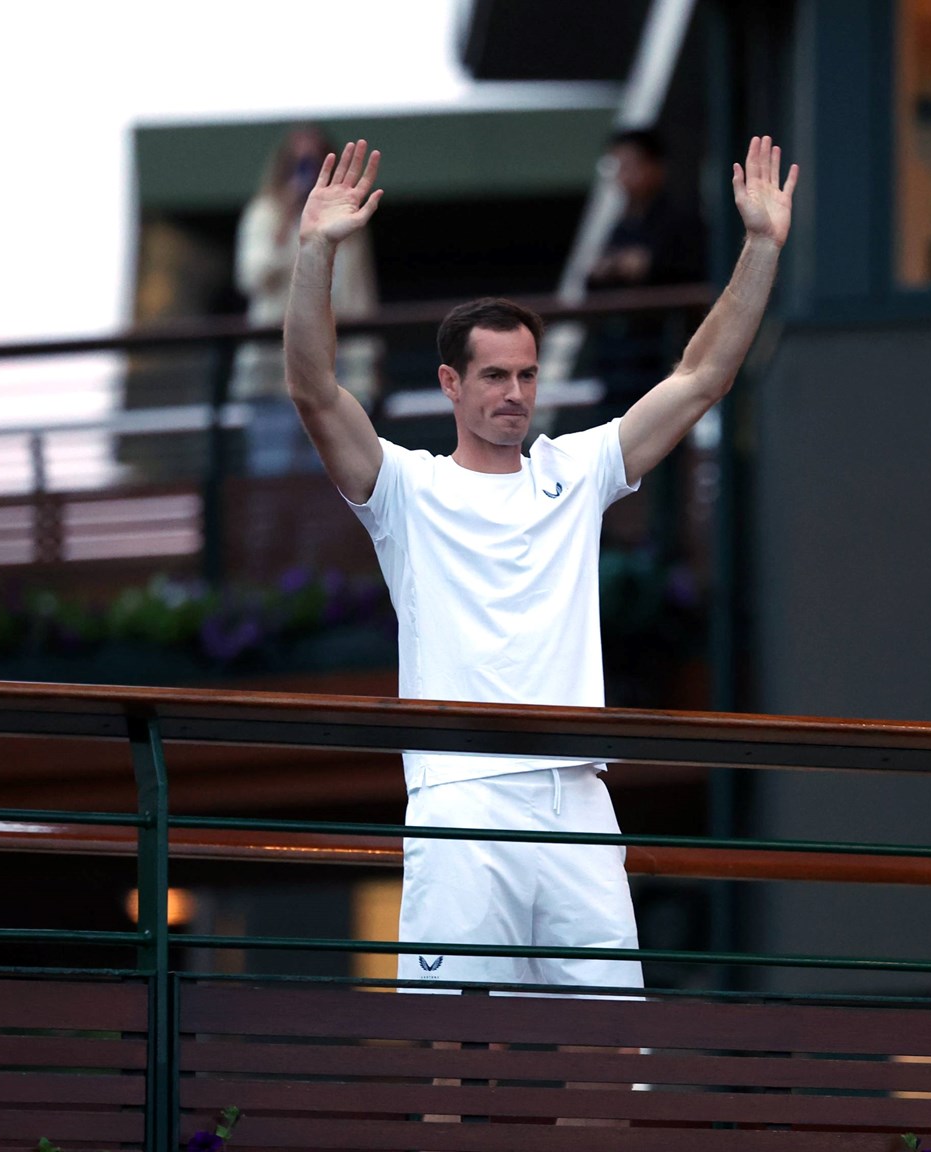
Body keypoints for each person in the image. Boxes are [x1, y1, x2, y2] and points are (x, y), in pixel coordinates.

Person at [284, 136, 797, 991]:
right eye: (492, 376)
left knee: (609, 1053)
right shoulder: (406, 486)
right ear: (450, 383)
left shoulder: (575, 468)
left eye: (525, 375)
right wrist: (315, 251)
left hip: (575, 795)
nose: (514, 393)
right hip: (461, 797)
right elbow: (312, 389)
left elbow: (702, 376)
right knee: (451, 1053)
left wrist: (761, 247)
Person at [236, 125, 380, 474]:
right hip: (273, 369)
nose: (305, 173)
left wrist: (368, 366)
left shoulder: (345, 221)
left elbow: (359, 295)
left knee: (334, 484)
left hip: (338, 369)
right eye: (298, 164)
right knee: (272, 481)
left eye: (314, 164)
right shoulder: (265, 213)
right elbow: (251, 277)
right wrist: (286, 221)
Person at [586, 129, 708, 407]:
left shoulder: (680, 219)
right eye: (616, 166)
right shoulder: (621, 225)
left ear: (655, 167)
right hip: (621, 355)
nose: (624, 175)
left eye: (632, 165)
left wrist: (648, 264)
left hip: (665, 351)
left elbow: (694, 271)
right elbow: (592, 282)